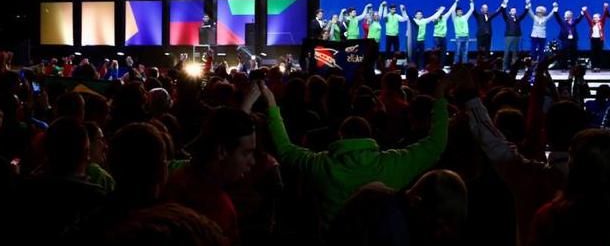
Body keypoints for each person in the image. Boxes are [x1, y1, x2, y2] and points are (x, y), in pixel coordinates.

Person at [256, 81, 448, 231]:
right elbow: (435, 145)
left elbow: (286, 149)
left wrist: (271, 105)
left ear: (341, 136)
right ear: (370, 138)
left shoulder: (323, 165)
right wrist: (440, 97)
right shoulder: (391, 164)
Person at [162, 107, 256, 243]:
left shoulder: (175, 180)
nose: (252, 162)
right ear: (222, 151)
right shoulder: (218, 208)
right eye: (246, 153)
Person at [501, 0, 528, 70]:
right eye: (512, 10)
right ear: (510, 12)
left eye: (515, 10)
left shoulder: (518, 18)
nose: (514, 11)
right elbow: (503, 11)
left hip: (517, 36)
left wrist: (527, 5)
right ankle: (504, 67)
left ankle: (514, 68)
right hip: (509, 36)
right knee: (506, 52)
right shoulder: (507, 18)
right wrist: (504, 3)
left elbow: (524, 14)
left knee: (515, 53)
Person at [433, 0, 459, 64]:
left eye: (442, 11)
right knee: (436, 52)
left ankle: (442, 66)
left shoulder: (444, 17)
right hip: (437, 37)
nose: (442, 11)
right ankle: (436, 65)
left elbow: (451, 10)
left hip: (443, 37)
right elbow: (435, 20)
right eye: (439, 10)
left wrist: (456, 2)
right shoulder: (435, 17)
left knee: (443, 52)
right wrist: (440, 10)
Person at [452, 0, 475, 64]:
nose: (460, 12)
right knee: (457, 52)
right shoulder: (454, 18)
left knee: (465, 53)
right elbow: (452, 11)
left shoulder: (465, 17)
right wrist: (456, 2)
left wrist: (471, 1)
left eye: (461, 11)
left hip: (466, 37)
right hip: (459, 37)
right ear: (456, 12)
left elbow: (471, 9)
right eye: (458, 11)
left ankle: (464, 66)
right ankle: (455, 66)